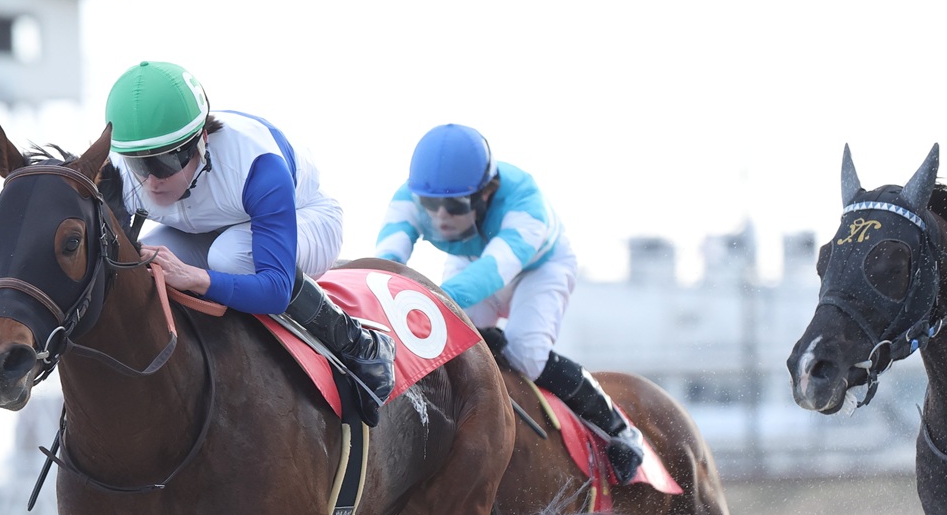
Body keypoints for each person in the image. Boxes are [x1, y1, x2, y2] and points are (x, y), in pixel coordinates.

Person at [104, 60, 395, 425]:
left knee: (227, 257)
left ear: (201, 141)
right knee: (140, 266)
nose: (151, 181)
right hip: (208, 232)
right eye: (139, 165)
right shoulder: (117, 170)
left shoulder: (257, 164)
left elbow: (274, 289)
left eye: (164, 162)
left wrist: (194, 278)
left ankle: (357, 344)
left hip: (307, 219)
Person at [375, 124, 644, 482]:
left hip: (538, 267)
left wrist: (422, 306)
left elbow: (491, 272)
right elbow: (385, 262)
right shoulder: (408, 196)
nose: (439, 217)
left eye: (453, 206)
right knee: (449, 346)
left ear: (489, 191)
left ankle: (620, 429)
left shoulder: (525, 207)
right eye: (430, 205)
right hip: (474, 263)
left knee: (525, 352)